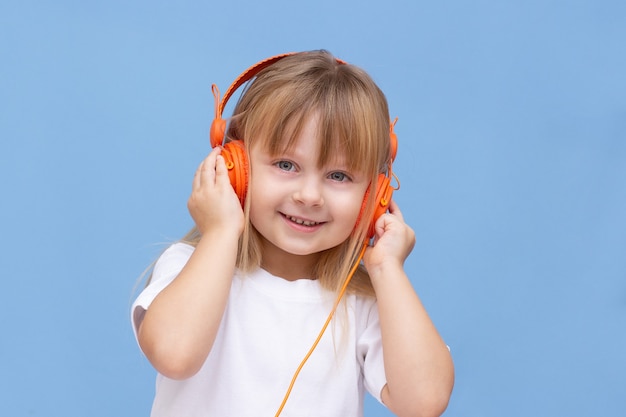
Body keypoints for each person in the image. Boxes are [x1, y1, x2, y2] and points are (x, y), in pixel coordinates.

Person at [131, 50, 454, 417]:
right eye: (286, 165)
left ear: (375, 196)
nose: (309, 196)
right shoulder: (189, 267)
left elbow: (425, 402)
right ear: (233, 165)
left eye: (339, 176)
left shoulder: (362, 304)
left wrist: (387, 270)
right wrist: (221, 232)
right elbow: (174, 355)